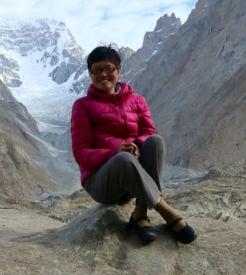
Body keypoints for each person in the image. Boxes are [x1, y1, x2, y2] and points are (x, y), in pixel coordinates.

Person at [70, 45, 197, 245]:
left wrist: (136, 144)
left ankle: (140, 212)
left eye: (108, 68)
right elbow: (81, 152)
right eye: (96, 70)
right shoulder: (83, 106)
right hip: (102, 183)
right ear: (90, 74)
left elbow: (149, 132)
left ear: (118, 70)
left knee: (155, 141)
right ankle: (166, 211)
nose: (103, 74)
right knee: (122, 158)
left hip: (133, 178)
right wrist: (113, 154)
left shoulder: (137, 100)